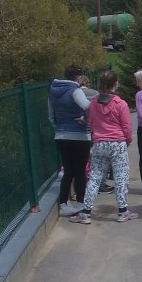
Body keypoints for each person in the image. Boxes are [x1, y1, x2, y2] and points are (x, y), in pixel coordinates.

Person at [70, 70, 137, 224]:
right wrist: (127, 140)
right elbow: (126, 126)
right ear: (116, 84)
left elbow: (91, 122)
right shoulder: (121, 104)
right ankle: (123, 211)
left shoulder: (93, 103)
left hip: (99, 143)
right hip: (117, 143)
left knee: (94, 177)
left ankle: (86, 213)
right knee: (121, 177)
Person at [48, 65, 92, 216]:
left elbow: (51, 116)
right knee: (80, 171)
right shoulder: (76, 90)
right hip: (79, 137)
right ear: (79, 77)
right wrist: (85, 120)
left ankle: (64, 205)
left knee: (68, 171)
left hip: (61, 136)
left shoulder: (53, 92)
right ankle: (80, 203)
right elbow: (89, 106)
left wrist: (59, 128)